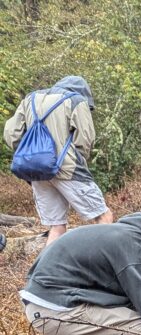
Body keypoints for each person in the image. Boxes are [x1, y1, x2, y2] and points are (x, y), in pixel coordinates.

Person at [4, 76, 114, 246]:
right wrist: (77, 159)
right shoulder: (76, 100)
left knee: (57, 227)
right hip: (68, 169)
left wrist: (32, 156)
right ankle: (103, 266)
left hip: (38, 172)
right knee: (103, 216)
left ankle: (45, 272)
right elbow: (85, 139)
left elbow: (11, 134)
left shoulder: (30, 98)